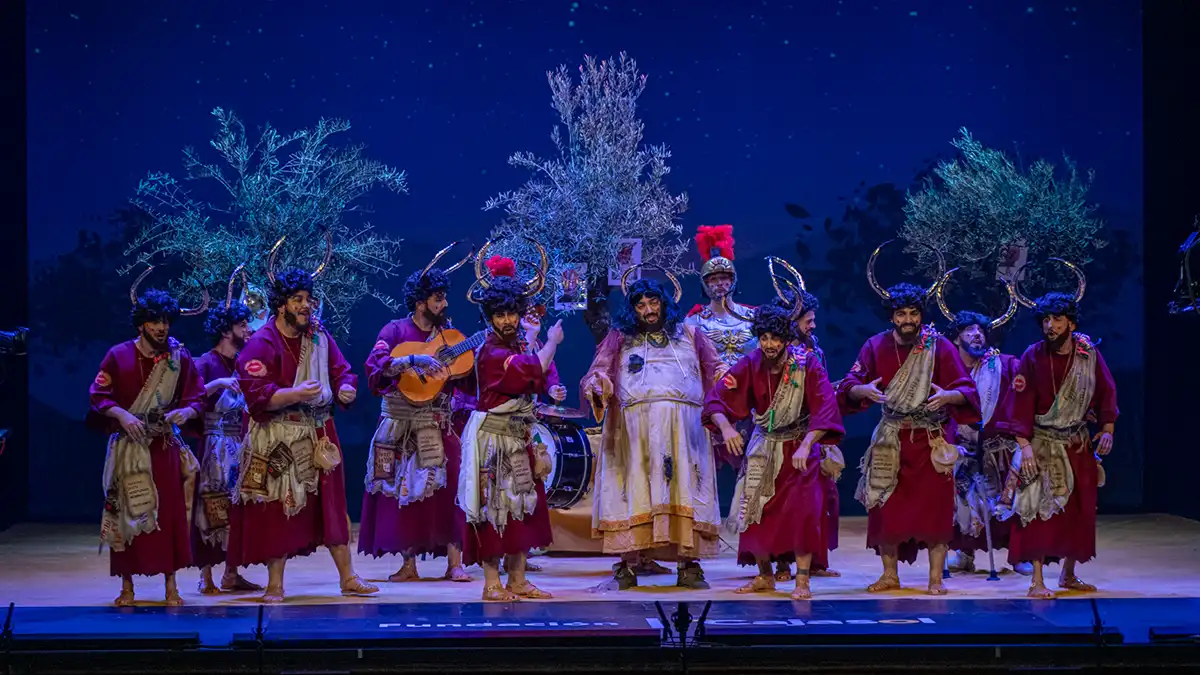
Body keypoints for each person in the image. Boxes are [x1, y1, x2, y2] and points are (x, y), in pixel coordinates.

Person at [228, 257, 378, 603]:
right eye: (298, 299)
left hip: (319, 434)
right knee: (280, 505)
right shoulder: (262, 343)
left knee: (333, 504)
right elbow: (255, 396)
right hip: (279, 436)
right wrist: (294, 394)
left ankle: (348, 578)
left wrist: (345, 388)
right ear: (281, 305)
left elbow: (342, 371)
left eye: (308, 298)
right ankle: (275, 585)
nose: (306, 305)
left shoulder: (319, 337)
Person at [836, 241, 980, 595]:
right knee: (885, 507)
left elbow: (966, 389)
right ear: (891, 317)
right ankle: (889, 575)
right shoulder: (874, 346)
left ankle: (934, 579)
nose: (908, 320)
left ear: (921, 314)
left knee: (934, 511)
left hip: (930, 439)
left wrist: (948, 395)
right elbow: (850, 383)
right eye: (901, 314)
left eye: (913, 313)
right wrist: (861, 391)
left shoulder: (939, 346)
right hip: (892, 438)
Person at [582, 268, 723, 590]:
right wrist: (598, 383)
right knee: (634, 491)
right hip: (634, 431)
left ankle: (689, 565)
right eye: (641, 305)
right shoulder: (620, 337)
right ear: (632, 309)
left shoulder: (690, 334)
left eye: (653, 302)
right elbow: (598, 371)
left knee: (687, 490)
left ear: (664, 303)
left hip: (684, 432)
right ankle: (627, 564)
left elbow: (716, 369)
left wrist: (729, 380)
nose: (648, 310)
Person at [703, 301, 845, 599]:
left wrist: (807, 445)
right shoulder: (751, 362)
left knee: (803, 513)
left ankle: (802, 581)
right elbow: (716, 400)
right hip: (764, 447)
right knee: (758, 514)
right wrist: (727, 427)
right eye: (764, 338)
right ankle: (765, 577)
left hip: (799, 447)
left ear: (786, 339)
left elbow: (825, 409)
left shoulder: (806, 363)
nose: (769, 344)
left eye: (775, 338)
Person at [994, 262, 1118, 599]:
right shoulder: (1033, 357)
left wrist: (1107, 428)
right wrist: (1025, 446)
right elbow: (1018, 403)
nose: (1050, 326)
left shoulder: (1088, 355)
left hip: (1077, 445)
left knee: (1078, 510)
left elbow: (1106, 391)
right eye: (1046, 320)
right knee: (1036, 511)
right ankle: (1036, 580)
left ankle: (1068, 574)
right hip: (1043, 444)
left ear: (1071, 323)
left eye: (1057, 320)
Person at [89, 269, 208, 606]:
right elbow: (98, 396)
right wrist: (122, 414)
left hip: (163, 446)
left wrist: (185, 413)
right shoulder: (118, 355)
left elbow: (196, 397)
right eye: (155, 321)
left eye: (166, 321)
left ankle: (171, 587)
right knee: (127, 512)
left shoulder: (178, 356)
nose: (162, 327)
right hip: (129, 448)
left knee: (167, 515)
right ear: (141, 323)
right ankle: (127, 588)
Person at [358, 246, 476, 584]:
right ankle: (409, 564)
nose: (445, 304)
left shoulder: (450, 336)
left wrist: (465, 364)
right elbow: (377, 366)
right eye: (438, 298)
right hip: (400, 424)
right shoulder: (394, 331)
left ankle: (455, 563)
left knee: (452, 489)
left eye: (444, 298)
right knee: (404, 491)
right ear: (421, 301)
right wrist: (413, 361)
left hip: (440, 423)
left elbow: (467, 380)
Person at [457, 253, 563, 601]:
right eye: (500, 315)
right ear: (489, 318)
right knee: (493, 509)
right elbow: (532, 370)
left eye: (511, 313)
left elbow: (536, 372)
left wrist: (533, 339)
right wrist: (550, 342)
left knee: (523, 508)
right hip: (493, 440)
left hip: (518, 438)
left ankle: (518, 580)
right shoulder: (491, 352)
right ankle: (492, 583)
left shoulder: (516, 343)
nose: (507, 320)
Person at [934, 273, 1027, 576]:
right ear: (956, 336)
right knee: (960, 500)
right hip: (960, 446)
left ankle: (1018, 555)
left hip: (997, 446)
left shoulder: (1004, 364)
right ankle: (962, 553)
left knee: (1008, 501)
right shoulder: (945, 369)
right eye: (969, 330)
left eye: (980, 330)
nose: (977, 334)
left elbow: (1027, 383)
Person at [190, 283, 263, 595]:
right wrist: (217, 383)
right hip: (214, 443)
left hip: (239, 444)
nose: (248, 330)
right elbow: (187, 398)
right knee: (210, 505)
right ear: (225, 330)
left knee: (238, 509)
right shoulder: (205, 363)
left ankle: (231, 573)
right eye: (242, 324)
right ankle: (205, 576)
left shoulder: (243, 363)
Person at [786, 288, 844, 580]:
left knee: (820, 500)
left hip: (813, 433)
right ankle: (781, 564)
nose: (813, 325)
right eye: (807, 320)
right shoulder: (777, 349)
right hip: (784, 433)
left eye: (813, 319)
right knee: (782, 501)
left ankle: (816, 562)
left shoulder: (814, 349)